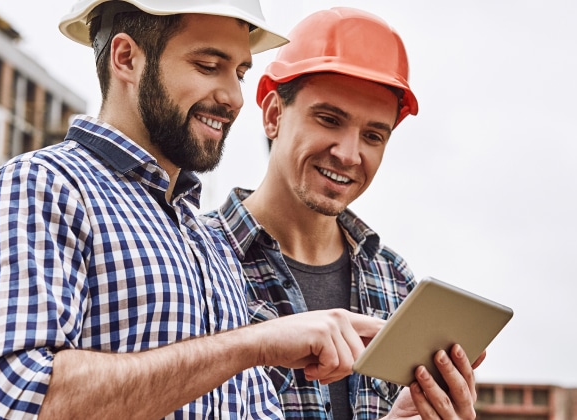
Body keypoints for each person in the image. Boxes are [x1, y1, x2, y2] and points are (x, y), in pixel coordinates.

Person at [0, 1, 388, 418]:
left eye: (239, 72)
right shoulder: (41, 189)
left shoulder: (206, 242)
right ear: (126, 58)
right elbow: (17, 402)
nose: (234, 97)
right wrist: (251, 344)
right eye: (208, 66)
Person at [202, 7, 483, 420]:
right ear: (273, 115)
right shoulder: (195, 260)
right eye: (329, 119)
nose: (349, 154)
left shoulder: (396, 283)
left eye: (373, 135)